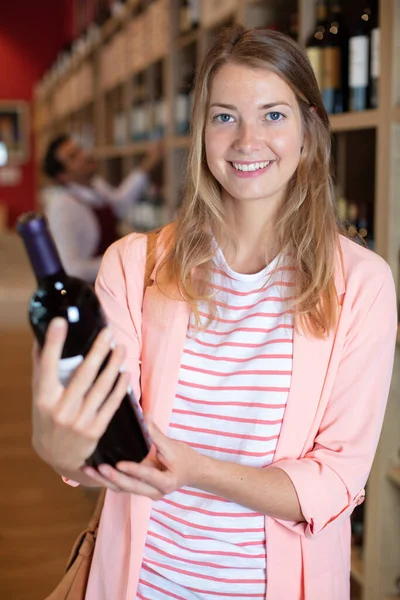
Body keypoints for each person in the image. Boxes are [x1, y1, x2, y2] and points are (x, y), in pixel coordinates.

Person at [32, 26, 397, 600]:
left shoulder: (361, 284)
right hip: (139, 585)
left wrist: (201, 471)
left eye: (273, 115)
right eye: (225, 117)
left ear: (308, 128)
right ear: (201, 130)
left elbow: (337, 480)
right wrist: (62, 447)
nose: (247, 140)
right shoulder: (133, 266)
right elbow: (104, 439)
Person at [41, 134, 162, 282]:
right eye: (73, 157)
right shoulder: (63, 206)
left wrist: (149, 163)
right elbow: (72, 268)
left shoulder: (96, 185)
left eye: (79, 150)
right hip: (91, 291)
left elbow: (119, 204)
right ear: (63, 176)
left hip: (111, 280)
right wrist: (125, 260)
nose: (84, 155)